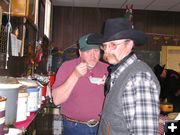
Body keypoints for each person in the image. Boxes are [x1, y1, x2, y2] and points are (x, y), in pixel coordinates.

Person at [87, 18, 160, 135]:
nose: (107, 51)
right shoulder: (118, 72)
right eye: (104, 46)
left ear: (129, 45)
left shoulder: (139, 78)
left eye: (113, 45)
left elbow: (145, 132)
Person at [52, 33, 108, 135]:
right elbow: (56, 100)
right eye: (88, 51)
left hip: (102, 127)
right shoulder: (67, 67)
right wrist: (75, 75)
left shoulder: (107, 69)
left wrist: (108, 85)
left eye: (96, 50)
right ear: (80, 52)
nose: (92, 55)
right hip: (75, 127)